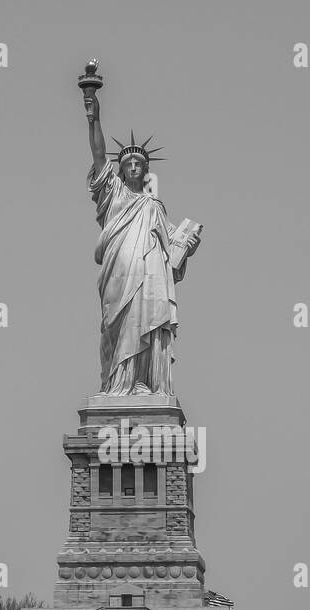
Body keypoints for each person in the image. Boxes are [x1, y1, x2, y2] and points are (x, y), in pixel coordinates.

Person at [82, 88, 200, 396]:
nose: (133, 166)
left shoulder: (153, 206)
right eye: (128, 163)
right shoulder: (114, 195)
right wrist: (92, 116)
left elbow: (172, 250)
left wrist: (188, 243)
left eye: (138, 163)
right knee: (117, 326)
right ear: (120, 170)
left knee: (145, 320)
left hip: (149, 276)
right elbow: (97, 155)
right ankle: (116, 384)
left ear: (145, 171)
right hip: (118, 273)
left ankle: (142, 382)